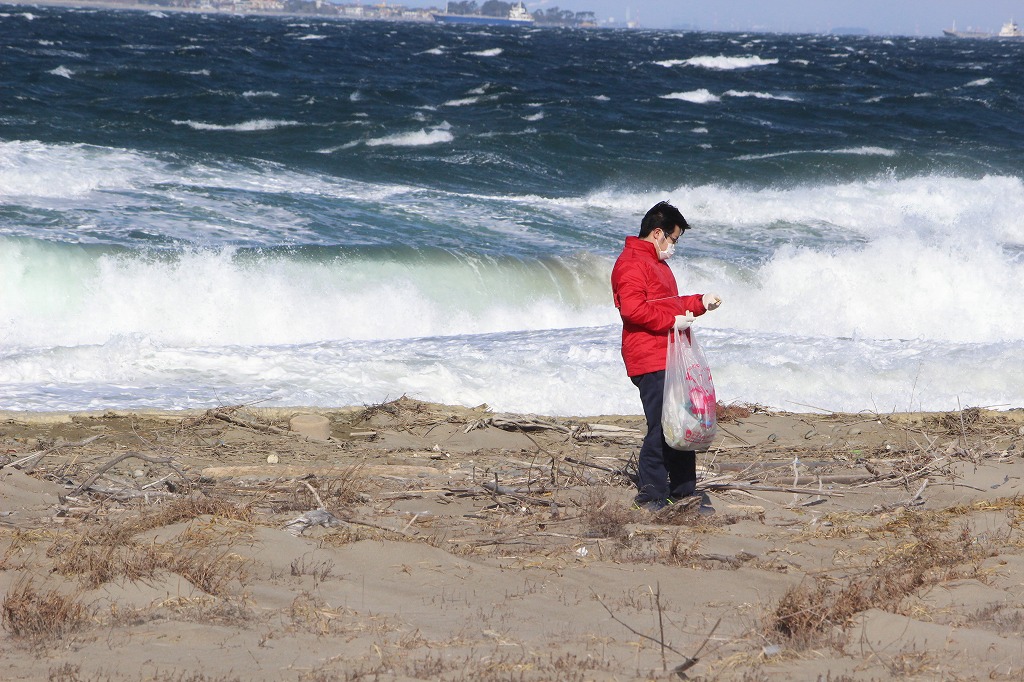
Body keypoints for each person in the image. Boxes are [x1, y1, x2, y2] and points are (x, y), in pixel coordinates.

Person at [610, 201, 722, 513]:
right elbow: (633, 310)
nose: (673, 246)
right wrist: (671, 322)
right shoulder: (631, 263)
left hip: (669, 356)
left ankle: (683, 494)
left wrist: (700, 302)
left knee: (681, 424)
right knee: (661, 427)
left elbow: (668, 303)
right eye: (672, 240)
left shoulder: (656, 264)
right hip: (649, 356)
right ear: (657, 233)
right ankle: (649, 497)